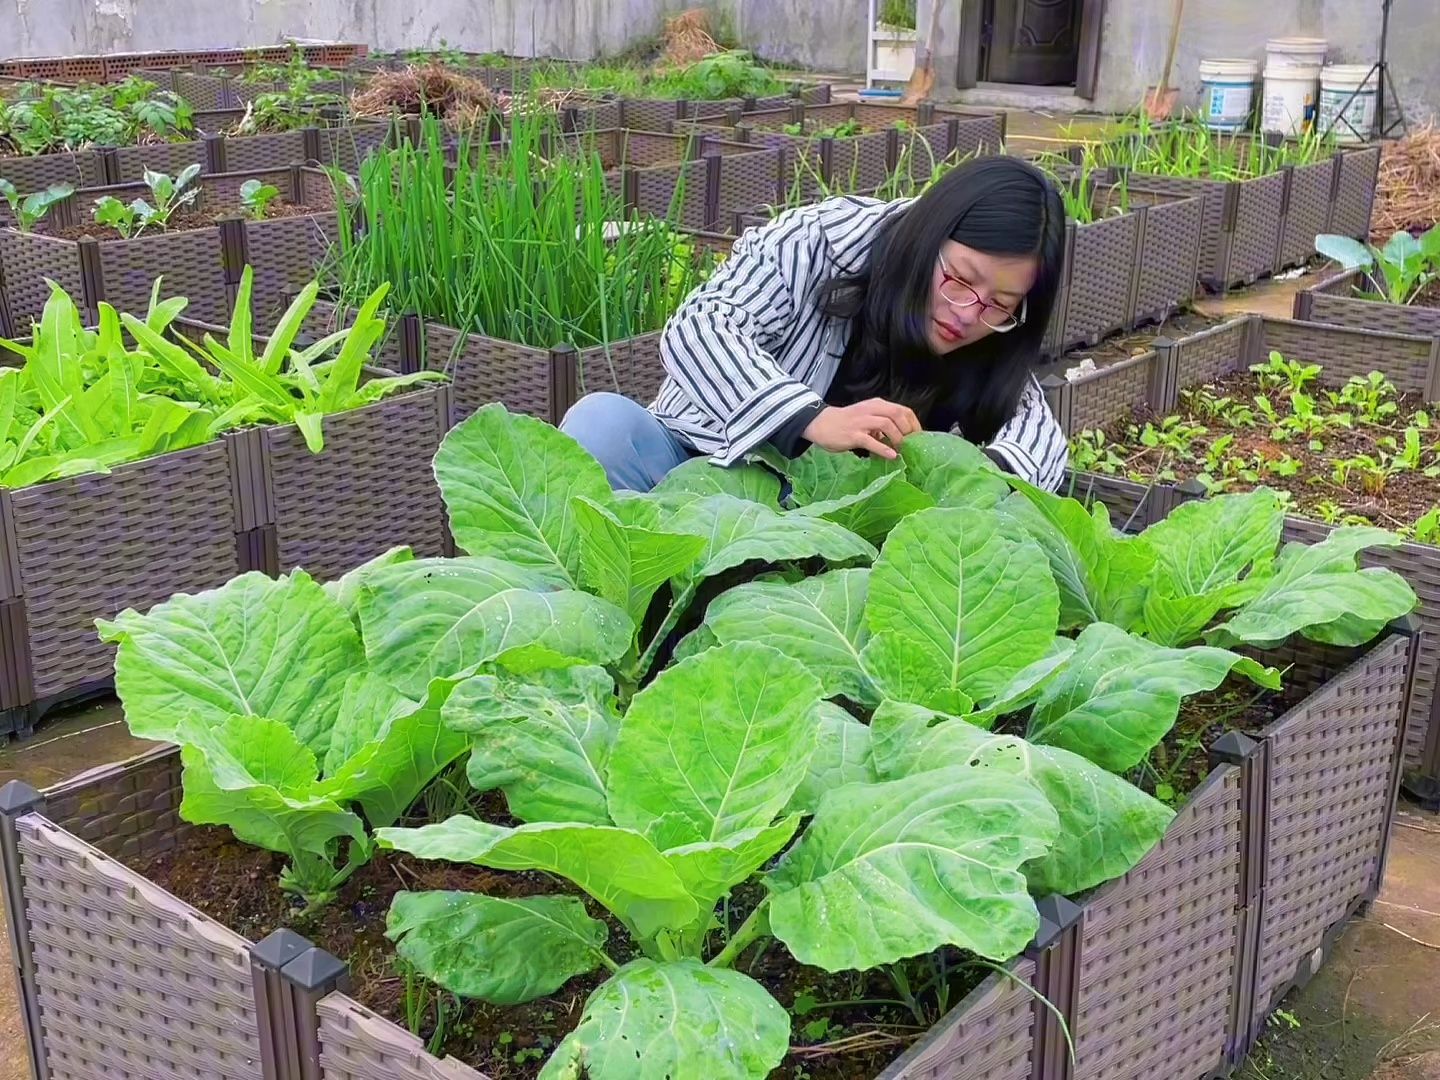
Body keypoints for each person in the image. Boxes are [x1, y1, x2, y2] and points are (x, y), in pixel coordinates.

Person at [560, 155, 1069, 493]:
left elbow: (1039, 437)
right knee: (600, 425)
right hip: (702, 468)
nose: (967, 313)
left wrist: (976, 482)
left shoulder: (994, 328)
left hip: (819, 531)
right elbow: (702, 325)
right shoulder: (820, 242)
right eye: (960, 279)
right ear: (927, 236)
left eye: (1001, 303)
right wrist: (814, 418)